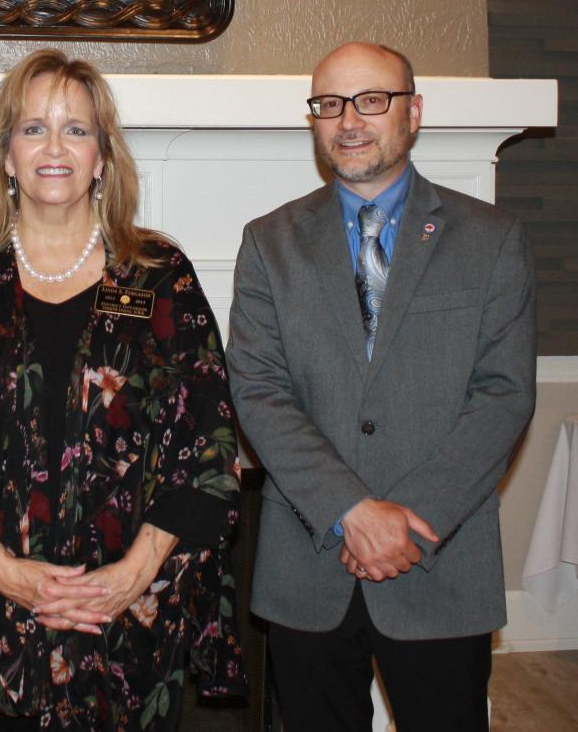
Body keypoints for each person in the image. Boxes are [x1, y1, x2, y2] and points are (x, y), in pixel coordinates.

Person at [0, 49, 245, 731]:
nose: (54, 147)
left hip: (136, 601)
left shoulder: (154, 275)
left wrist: (131, 575)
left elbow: (210, 432)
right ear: (5, 155)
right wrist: (3, 570)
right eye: (32, 129)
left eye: (76, 130)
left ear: (102, 157)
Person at [226, 42, 536, 731]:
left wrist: (407, 523)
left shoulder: (491, 238)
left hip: (438, 564)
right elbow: (257, 389)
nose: (348, 121)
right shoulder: (267, 242)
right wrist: (351, 511)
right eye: (328, 104)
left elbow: (503, 394)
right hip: (307, 566)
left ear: (412, 112)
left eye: (371, 100)